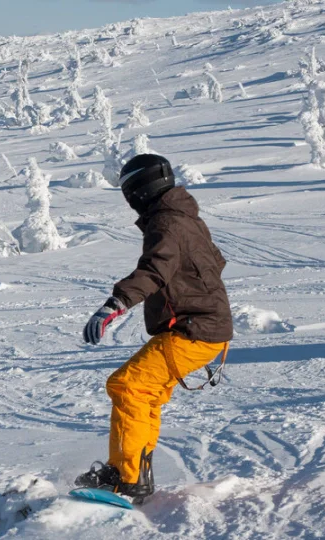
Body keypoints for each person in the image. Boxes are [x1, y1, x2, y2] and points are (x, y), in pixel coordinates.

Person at [75, 154, 234, 503]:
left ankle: (127, 477)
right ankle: (134, 472)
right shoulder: (186, 219)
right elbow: (214, 261)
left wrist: (114, 305)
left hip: (193, 329)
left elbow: (154, 270)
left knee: (127, 386)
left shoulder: (168, 224)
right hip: (202, 327)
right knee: (145, 394)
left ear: (140, 190)